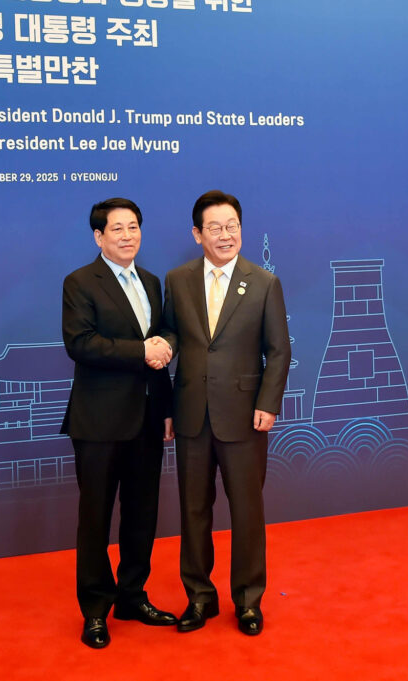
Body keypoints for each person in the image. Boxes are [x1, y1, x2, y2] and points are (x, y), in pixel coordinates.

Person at [161, 190, 291, 636]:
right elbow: (171, 335)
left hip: (244, 416)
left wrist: (268, 403)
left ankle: (249, 600)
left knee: (247, 512)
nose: (225, 235)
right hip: (191, 414)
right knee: (193, 510)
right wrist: (161, 349)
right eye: (214, 227)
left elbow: (279, 350)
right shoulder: (178, 280)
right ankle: (199, 597)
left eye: (231, 225)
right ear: (197, 234)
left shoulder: (264, 283)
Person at [61, 197, 178, 649]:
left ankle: (132, 596)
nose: (128, 236)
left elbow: (163, 335)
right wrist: (142, 350)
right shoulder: (79, 282)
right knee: (95, 519)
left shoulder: (150, 281)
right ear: (99, 236)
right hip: (99, 421)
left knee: (141, 515)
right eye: (118, 229)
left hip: (147, 418)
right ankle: (95, 609)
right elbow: (81, 343)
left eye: (134, 227)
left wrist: (165, 404)